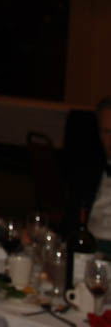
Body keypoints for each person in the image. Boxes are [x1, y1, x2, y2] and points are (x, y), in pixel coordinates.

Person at [68, 96, 111, 248]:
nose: (110, 140)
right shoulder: (88, 172)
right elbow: (70, 224)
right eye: (105, 132)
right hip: (87, 254)